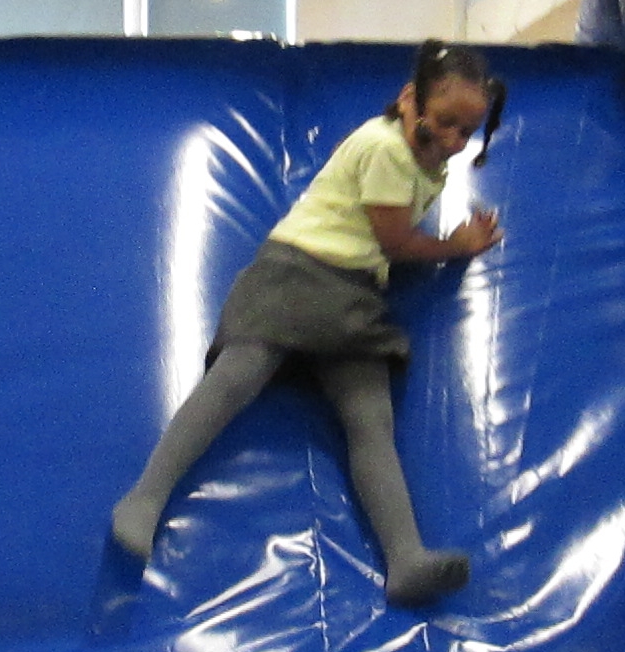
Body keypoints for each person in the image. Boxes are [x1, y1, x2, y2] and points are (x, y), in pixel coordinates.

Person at [112, 39, 506, 607]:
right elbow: (395, 241)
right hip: (299, 268)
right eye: (445, 122)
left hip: (354, 292)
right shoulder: (385, 148)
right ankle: (144, 498)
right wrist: (455, 245)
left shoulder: (423, 155)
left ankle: (405, 559)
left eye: (466, 132)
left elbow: (381, 229)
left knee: (370, 419)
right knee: (236, 377)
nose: (452, 140)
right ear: (409, 99)